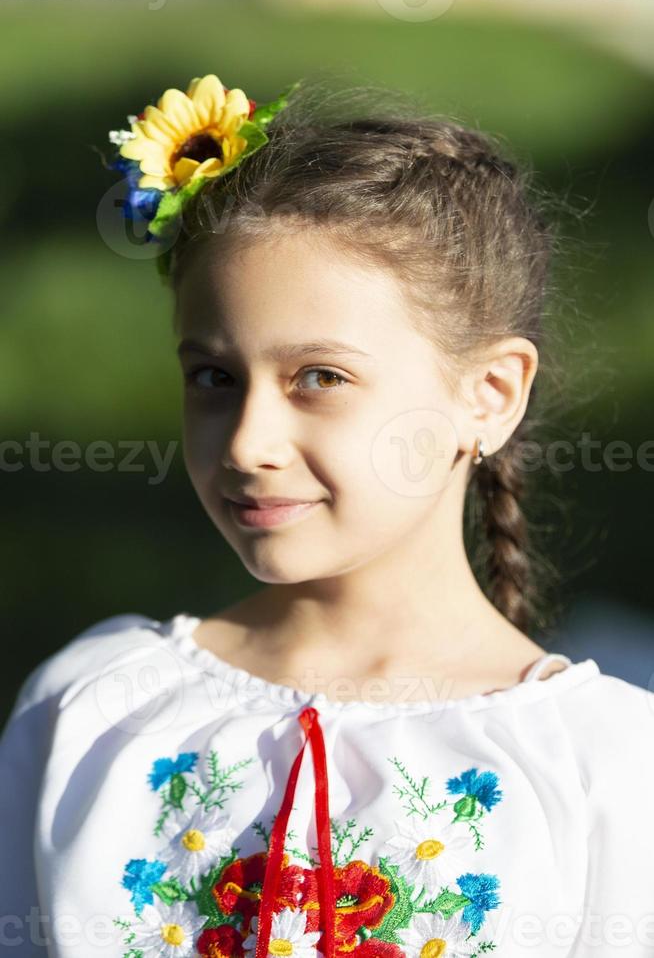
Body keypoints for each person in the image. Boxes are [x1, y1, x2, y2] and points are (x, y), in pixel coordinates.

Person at [1, 72, 652, 958]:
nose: (247, 441)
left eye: (320, 378)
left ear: (489, 395)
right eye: (214, 378)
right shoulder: (92, 711)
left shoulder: (602, 766)